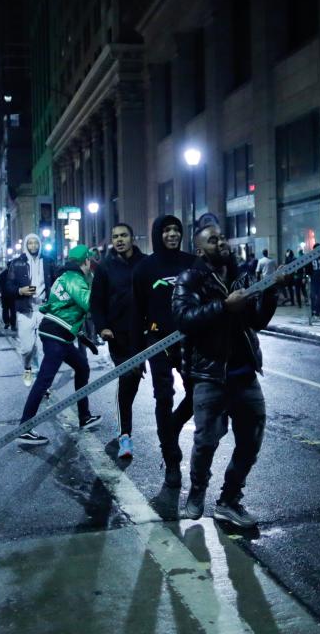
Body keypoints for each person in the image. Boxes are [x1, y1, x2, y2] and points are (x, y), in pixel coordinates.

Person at [171, 221, 281, 527]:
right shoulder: (189, 279)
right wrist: (223, 306)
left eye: (222, 238)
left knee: (251, 439)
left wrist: (270, 292)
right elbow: (183, 319)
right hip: (210, 375)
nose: (222, 243)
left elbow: (256, 322)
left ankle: (230, 499)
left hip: (245, 374)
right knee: (206, 441)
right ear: (199, 249)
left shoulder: (239, 276)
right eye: (213, 240)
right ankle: (197, 492)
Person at [131, 215, 197, 486]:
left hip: (190, 339)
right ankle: (171, 459)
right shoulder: (145, 268)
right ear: (158, 233)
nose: (172, 234)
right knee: (163, 398)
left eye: (176, 230)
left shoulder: (193, 263)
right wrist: (137, 355)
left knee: (198, 392)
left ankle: (172, 427)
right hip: (157, 341)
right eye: (167, 230)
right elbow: (137, 312)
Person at [15, 245, 102, 445]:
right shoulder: (74, 278)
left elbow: (57, 307)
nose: (92, 264)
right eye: (91, 260)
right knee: (44, 380)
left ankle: (84, 416)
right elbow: (88, 303)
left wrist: (82, 336)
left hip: (57, 333)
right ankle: (24, 427)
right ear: (86, 261)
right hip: (57, 335)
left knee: (82, 366)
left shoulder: (63, 277)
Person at [90, 223, 147, 459]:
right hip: (118, 336)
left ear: (133, 237)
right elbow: (96, 301)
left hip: (145, 335)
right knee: (127, 379)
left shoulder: (146, 263)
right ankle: (125, 436)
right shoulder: (105, 267)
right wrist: (103, 326)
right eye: (115, 236)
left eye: (124, 235)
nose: (119, 239)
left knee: (135, 383)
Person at [7, 234, 57, 386]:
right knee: (27, 348)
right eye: (30, 243)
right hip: (25, 310)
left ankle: (43, 384)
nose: (33, 246)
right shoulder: (17, 263)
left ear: (40, 244)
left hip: (44, 309)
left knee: (44, 348)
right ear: (26, 245)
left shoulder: (48, 261)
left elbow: (56, 281)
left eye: (36, 242)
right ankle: (27, 368)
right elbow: (8, 286)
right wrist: (20, 291)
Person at [0, 265, 16, 331]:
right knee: (12, 310)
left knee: (6, 309)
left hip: (6, 295)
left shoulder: (2, 274)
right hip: (11, 295)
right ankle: (12, 324)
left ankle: (7, 323)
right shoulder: (15, 273)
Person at [309, 243, 320, 317]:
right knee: (313, 296)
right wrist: (308, 275)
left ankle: (318, 311)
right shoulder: (310, 257)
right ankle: (313, 310)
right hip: (313, 278)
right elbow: (307, 267)